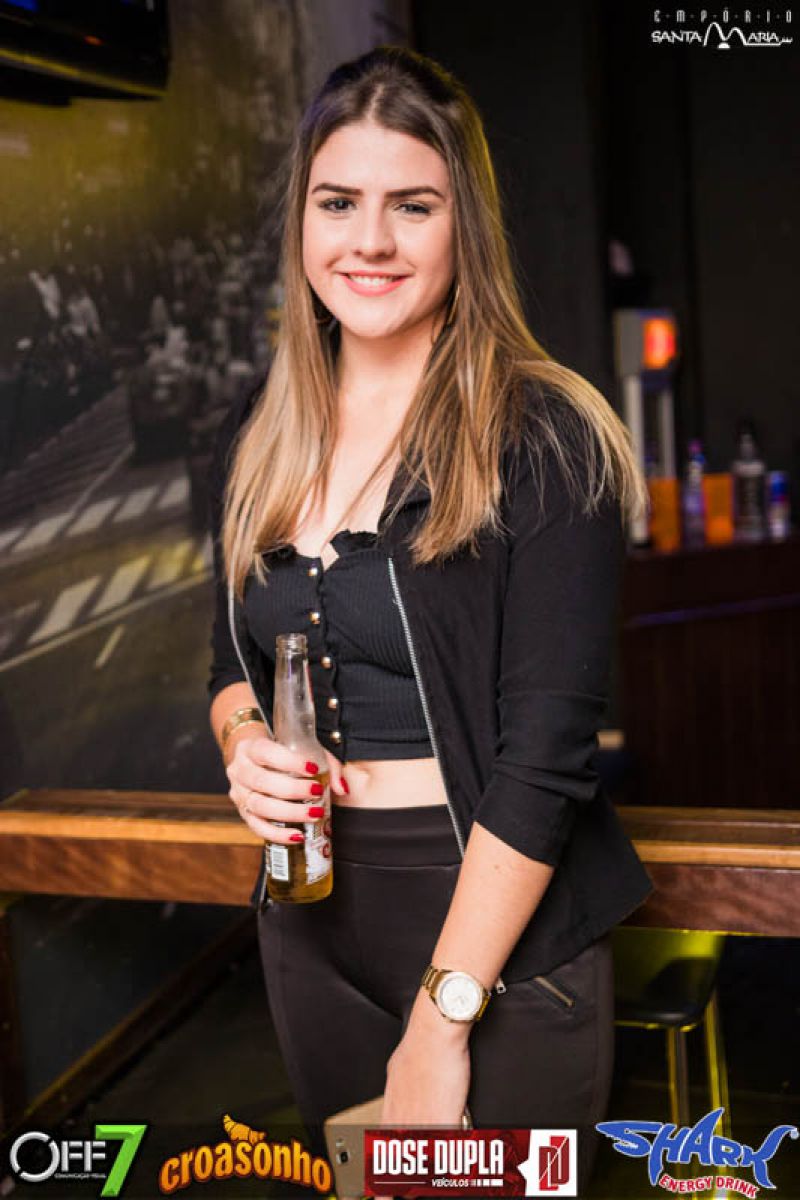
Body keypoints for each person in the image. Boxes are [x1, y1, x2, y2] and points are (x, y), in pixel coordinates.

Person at [208, 45, 653, 1193]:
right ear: (300, 221)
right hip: (308, 927)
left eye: (412, 205)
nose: (368, 240)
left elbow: (544, 760)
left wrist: (441, 1017)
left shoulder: (547, 437)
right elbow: (227, 666)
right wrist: (243, 742)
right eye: (336, 203)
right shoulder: (259, 434)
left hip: (491, 943)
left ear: (466, 228)